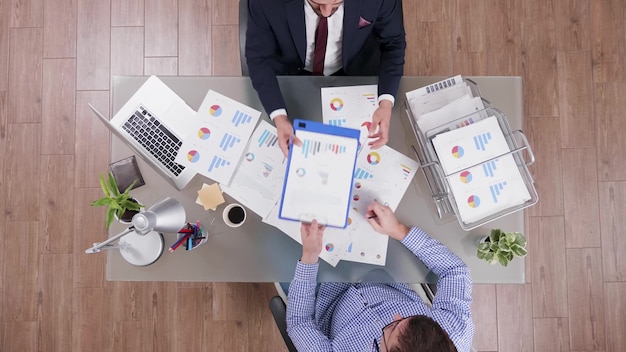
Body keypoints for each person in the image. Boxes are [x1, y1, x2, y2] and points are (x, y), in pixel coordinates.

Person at [286, 200, 475, 351]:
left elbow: (299, 323)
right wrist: (398, 230)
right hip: (382, 275)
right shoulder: (452, 333)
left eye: (391, 329)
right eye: (410, 318)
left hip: (326, 299)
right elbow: (455, 271)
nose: (395, 316)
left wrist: (309, 257)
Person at [245, 0, 406, 156]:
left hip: (354, 70)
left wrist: (385, 102)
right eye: (316, 5)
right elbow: (259, 58)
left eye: (336, 3)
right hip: (291, 73)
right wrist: (279, 116)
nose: (327, 12)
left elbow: (393, 42)